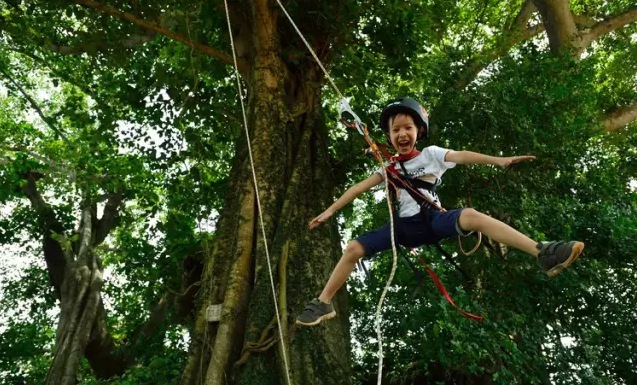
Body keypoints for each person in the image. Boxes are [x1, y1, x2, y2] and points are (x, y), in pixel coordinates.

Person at [295, 97, 585, 327]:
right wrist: (330, 210)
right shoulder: (390, 168)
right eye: (395, 130)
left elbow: (460, 156)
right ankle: (323, 302)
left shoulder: (431, 155)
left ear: (418, 131)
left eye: (407, 127)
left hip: (431, 220)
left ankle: (543, 253)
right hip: (402, 228)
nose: (401, 133)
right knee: (354, 248)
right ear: (389, 137)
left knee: (470, 215)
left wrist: (498, 160)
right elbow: (358, 187)